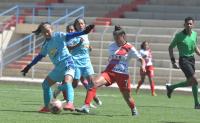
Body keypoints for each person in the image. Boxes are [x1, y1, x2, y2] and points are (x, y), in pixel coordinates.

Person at [21, 22, 95, 113]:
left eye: (48, 31)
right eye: (44, 32)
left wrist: (83, 32)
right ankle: (48, 106)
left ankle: (70, 103)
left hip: (68, 63)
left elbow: (71, 35)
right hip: (59, 67)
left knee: (68, 81)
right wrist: (28, 66)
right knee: (45, 85)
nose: (47, 33)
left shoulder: (59, 36)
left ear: (52, 29)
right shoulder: (45, 45)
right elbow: (39, 57)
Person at [76, 25, 146, 116]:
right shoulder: (111, 46)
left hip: (122, 75)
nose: (116, 40)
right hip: (109, 72)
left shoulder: (130, 48)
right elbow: (111, 59)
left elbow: (141, 59)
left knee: (127, 97)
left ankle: (134, 109)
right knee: (93, 83)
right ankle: (86, 106)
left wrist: (143, 66)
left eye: (118, 37)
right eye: (115, 38)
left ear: (123, 36)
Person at [59, 24, 102, 108]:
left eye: (72, 30)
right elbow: (69, 48)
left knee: (90, 82)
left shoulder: (83, 36)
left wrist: (88, 46)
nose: (70, 31)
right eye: (69, 30)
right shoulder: (69, 38)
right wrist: (79, 44)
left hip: (84, 62)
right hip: (73, 62)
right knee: (75, 83)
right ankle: (64, 94)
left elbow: (85, 43)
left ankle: (90, 101)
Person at [167, 16, 200, 109]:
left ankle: (171, 88)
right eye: (187, 24)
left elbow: (194, 47)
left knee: (193, 82)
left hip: (191, 59)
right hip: (183, 60)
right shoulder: (179, 36)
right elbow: (170, 48)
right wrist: (173, 61)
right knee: (195, 79)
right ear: (184, 25)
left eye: (190, 23)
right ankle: (197, 104)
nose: (189, 25)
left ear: (193, 25)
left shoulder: (194, 34)